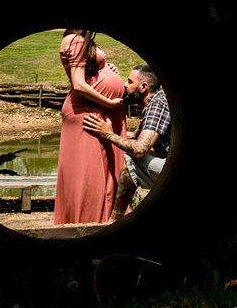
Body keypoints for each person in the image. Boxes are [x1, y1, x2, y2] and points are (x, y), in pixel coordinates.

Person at [54, 29, 125, 225]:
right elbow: (78, 84)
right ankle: (84, 226)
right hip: (85, 112)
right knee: (88, 176)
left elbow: (86, 72)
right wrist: (109, 103)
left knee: (104, 172)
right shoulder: (76, 39)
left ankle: (103, 222)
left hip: (95, 109)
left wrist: (105, 68)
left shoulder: (82, 38)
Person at [83, 64, 170, 221]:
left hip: (172, 170)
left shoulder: (157, 104)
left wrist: (108, 134)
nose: (124, 84)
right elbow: (133, 137)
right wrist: (105, 131)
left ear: (143, 87)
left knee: (131, 158)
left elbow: (139, 149)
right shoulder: (155, 103)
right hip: (168, 164)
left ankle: (115, 221)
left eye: (129, 82)